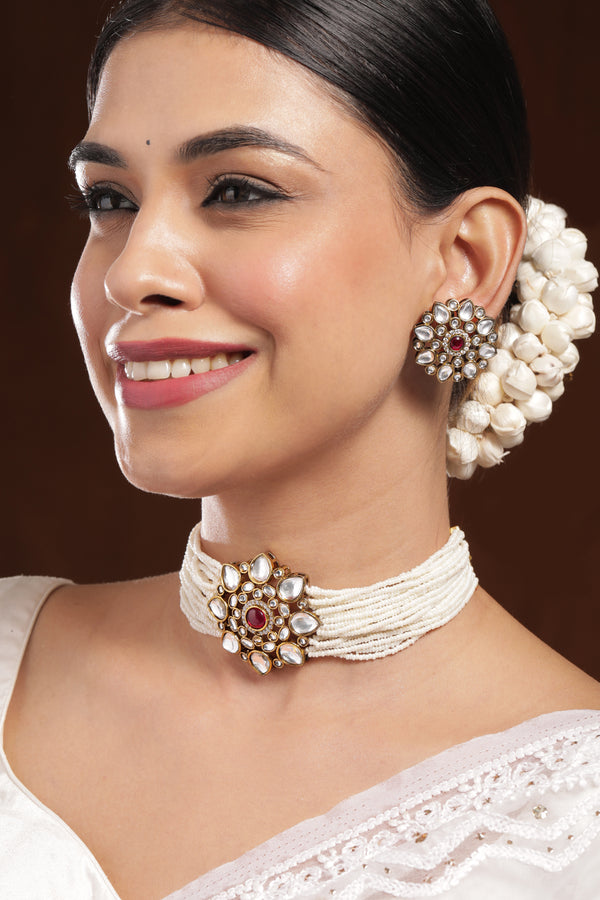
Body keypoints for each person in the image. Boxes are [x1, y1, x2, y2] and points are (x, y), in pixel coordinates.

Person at [1, 0, 599, 898]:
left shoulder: (573, 830)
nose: (131, 272)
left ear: (466, 262)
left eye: (238, 191)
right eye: (110, 200)